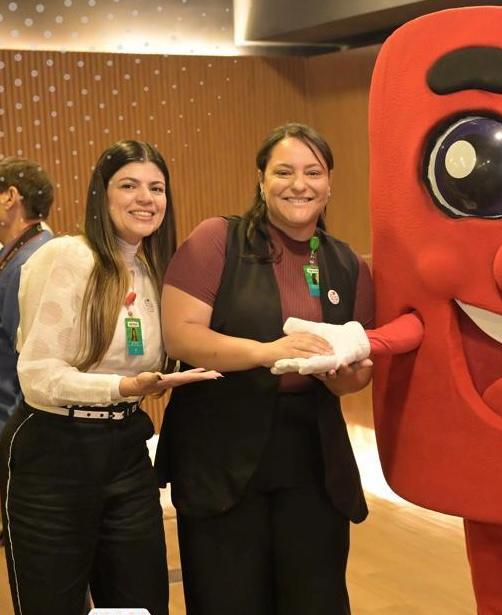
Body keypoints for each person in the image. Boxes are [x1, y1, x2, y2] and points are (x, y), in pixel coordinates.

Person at [157, 122, 374, 614]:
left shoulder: (346, 263)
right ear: (260, 180)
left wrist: (345, 375)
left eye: (313, 172)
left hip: (312, 454)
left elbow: (361, 368)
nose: (299, 184)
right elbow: (183, 336)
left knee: (314, 597)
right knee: (227, 596)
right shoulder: (219, 239)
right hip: (222, 448)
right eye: (284, 171)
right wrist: (267, 351)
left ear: (329, 183)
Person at [0, 140, 219, 615]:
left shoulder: (152, 269)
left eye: (156, 188)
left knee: (136, 606)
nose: (146, 198)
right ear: (102, 194)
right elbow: (37, 376)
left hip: (126, 452)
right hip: (53, 456)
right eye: (129, 185)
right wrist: (122, 387)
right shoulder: (67, 257)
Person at [0, 157, 54, 433]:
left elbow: (25, 358)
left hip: (14, 421)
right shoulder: (23, 254)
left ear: (10, 197)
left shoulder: (33, 261)